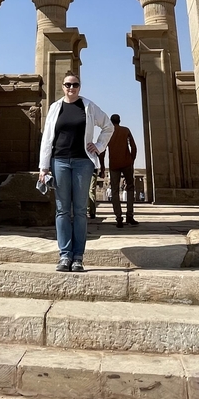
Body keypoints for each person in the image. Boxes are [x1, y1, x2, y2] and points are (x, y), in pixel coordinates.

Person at [38, 73, 113, 272]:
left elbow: (108, 126)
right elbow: (47, 138)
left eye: (75, 85)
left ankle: (78, 256)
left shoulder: (88, 106)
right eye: (68, 85)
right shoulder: (55, 107)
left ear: (80, 87)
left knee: (79, 210)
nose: (71, 88)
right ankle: (64, 255)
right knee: (62, 209)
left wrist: (98, 145)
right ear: (62, 87)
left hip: (82, 162)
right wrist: (43, 167)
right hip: (59, 161)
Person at [105, 114, 138, 228]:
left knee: (114, 190)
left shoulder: (108, 132)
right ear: (119, 121)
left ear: (111, 121)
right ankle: (129, 215)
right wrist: (131, 160)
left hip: (114, 164)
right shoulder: (125, 130)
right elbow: (133, 146)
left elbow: (102, 150)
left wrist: (102, 166)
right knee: (130, 187)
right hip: (126, 162)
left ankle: (118, 218)